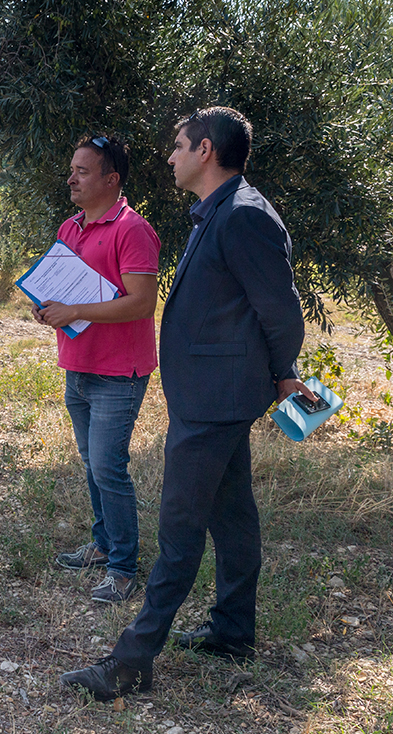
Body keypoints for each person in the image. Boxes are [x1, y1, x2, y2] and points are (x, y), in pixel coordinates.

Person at [60, 107, 318, 700]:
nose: (169, 157)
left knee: (179, 528)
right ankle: (232, 632)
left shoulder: (245, 215)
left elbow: (281, 309)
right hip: (212, 394)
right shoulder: (221, 209)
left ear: (205, 150)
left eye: (177, 146)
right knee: (232, 517)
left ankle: (131, 660)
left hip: (215, 399)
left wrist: (284, 375)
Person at [31, 135, 160, 604]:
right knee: (93, 464)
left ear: (112, 179)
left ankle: (124, 568)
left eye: (82, 172)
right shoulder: (70, 228)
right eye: (72, 170)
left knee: (109, 466)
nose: (71, 179)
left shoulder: (133, 230)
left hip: (118, 372)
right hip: (78, 364)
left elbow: (143, 303)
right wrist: (47, 309)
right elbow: (61, 294)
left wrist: (73, 309)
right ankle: (104, 546)